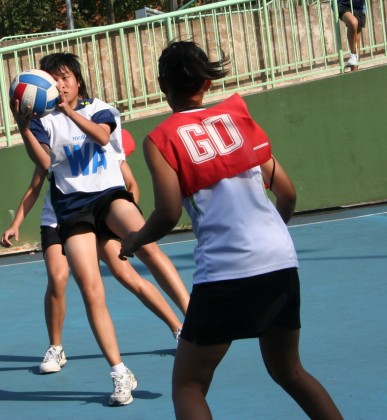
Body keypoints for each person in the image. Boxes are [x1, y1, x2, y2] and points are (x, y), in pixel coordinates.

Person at [119, 41, 343, 419]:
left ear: (161, 84)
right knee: (290, 371)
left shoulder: (161, 139)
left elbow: (169, 212)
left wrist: (135, 240)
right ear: (207, 83)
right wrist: (271, 235)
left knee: (189, 387)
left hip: (226, 271)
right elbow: (286, 194)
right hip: (279, 261)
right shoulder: (239, 121)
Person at [10, 52, 187, 407]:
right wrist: (24, 125)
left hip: (108, 197)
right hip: (72, 208)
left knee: (148, 247)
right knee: (91, 290)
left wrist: (69, 112)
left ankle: (193, 318)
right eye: (53, 79)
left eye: (65, 78)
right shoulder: (43, 120)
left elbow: (104, 138)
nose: (60, 85)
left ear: (77, 80)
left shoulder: (98, 108)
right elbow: (44, 163)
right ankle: (120, 373)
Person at [1, 151, 184, 375]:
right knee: (58, 278)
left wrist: (124, 219)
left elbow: (131, 184)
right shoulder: (51, 145)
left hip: (99, 217)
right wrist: (15, 224)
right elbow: (34, 188)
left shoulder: (99, 139)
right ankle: (56, 347)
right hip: (59, 221)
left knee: (126, 275)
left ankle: (178, 328)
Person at [337, 0, 366, 68]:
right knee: (353, 22)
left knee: (357, 40)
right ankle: (353, 55)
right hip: (342, 4)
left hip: (359, 6)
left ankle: (355, 72)